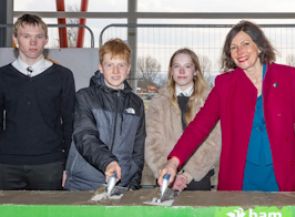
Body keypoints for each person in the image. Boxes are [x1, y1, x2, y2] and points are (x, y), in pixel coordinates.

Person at [158, 20, 295, 192]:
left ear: (259, 46)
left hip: (283, 176)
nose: (239, 51)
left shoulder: (288, 76)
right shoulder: (225, 85)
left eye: (245, 44)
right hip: (241, 179)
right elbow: (199, 127)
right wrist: (173, 161)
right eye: (233, 47)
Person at [0, 14, 75, 190]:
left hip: (49, 164)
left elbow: (70, 124)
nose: (33, 42)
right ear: (16, 39)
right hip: (7, 164)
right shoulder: (2, 76)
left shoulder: (63, 76)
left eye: (38, 37)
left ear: (46, 40)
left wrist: (67, 165)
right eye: (26, 36)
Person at [64, 38, 145, 190]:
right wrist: (107, 162)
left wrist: (133, 184)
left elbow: (138, 150)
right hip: (83, 184)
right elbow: (85, 136)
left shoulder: (136, 103)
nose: (115, 71)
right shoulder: (84, 97)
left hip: (121, 185)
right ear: (100, 67)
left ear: (128, 69)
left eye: (121, 65)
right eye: (109, 65)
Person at [145, 48, 220, 191]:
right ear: (171, 71)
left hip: (199, 176)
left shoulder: (210, 100)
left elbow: (214, 141)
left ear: (196, 71)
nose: (181, 71)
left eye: (187, 66)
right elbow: (152, 142)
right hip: (165, 176)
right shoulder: (158, 102)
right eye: (177, 66)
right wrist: (165, 169)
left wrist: (188, 174)